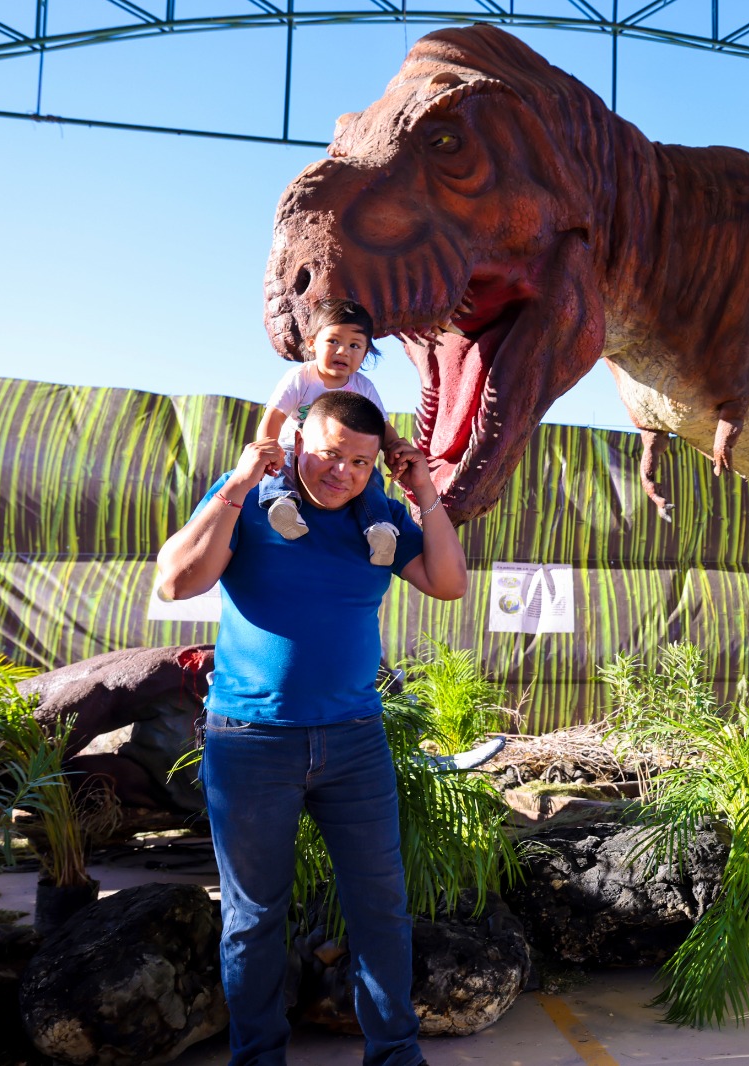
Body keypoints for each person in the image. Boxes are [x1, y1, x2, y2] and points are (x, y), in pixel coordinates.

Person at [156, 389, 468, 1066]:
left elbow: (448, 583)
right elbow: (176, 582)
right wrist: (237, 486)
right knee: (254, 916)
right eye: (330, 455)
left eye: (360, 463)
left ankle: (395, 1055)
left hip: (354, 743)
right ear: (299, 442)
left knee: (381, 908)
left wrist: (425, 494)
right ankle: (258, 1057)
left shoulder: (381, 517)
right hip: (251, 742)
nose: (343, 473)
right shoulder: (251, 498)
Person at [256, 297, 409, 566]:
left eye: (354, 345)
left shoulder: (363, 387)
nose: (343, 351)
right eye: (334, 341)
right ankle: (282, 505)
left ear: (365, 353)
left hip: (343, 454)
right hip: (297, 447)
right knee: (281, 463)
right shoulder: (301, 378)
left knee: (370, 479)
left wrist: (395, 449)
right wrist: (268, 447)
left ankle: (379, 528)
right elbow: (275, 416)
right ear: (312, 343)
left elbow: (382, 427)